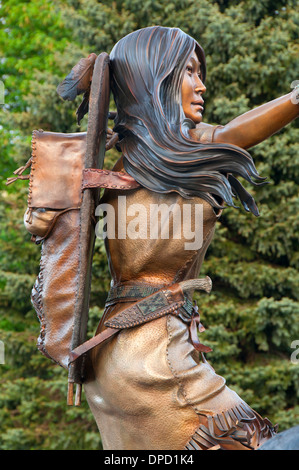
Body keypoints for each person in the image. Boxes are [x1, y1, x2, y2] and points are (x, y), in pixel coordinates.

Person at [83, 26, 299, 450]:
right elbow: (235, 134)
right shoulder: (179, 149)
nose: (201, 86)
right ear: (155, 78)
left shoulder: (128, 163)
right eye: (188, 72)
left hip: (116, 355)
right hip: (156, 359)